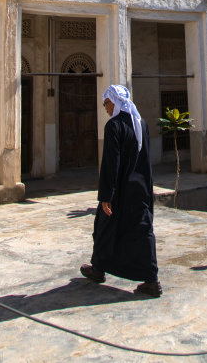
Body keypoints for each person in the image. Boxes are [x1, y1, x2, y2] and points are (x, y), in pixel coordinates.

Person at [80, 84, 162, 297]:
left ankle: (146, 280)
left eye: (105, 103)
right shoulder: (141, 124)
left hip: (120, 191)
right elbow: (145, 161)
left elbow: (111, 163)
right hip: (140, 190)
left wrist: (107, 195)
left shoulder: (114, 126)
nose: (105, 108)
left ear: (114, 102)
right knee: (142, 232)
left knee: (105, 227)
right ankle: (102, 269)